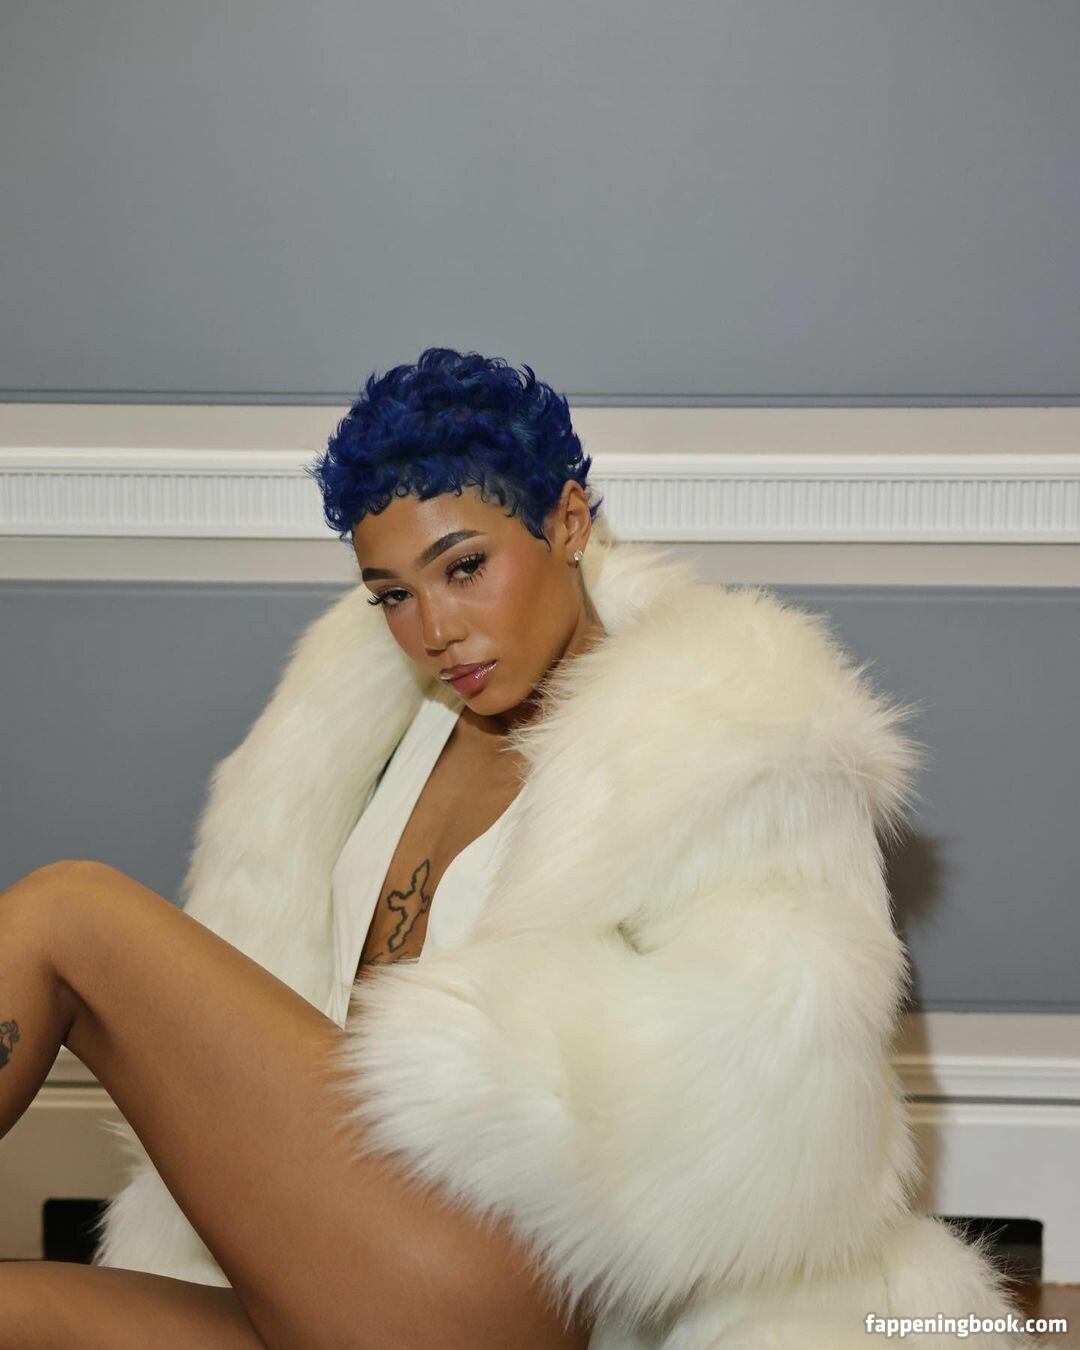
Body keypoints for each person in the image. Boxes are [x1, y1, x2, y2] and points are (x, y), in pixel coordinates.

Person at [1, 349, 1034, 1348]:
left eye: (465, 568)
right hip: (336, 1267)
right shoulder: (384, 733)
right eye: (393, 595)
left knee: (69, 910)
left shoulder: (721, 752)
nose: (435, 630)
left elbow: (771, 1106)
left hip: (503, 1288)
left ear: (569, 522)